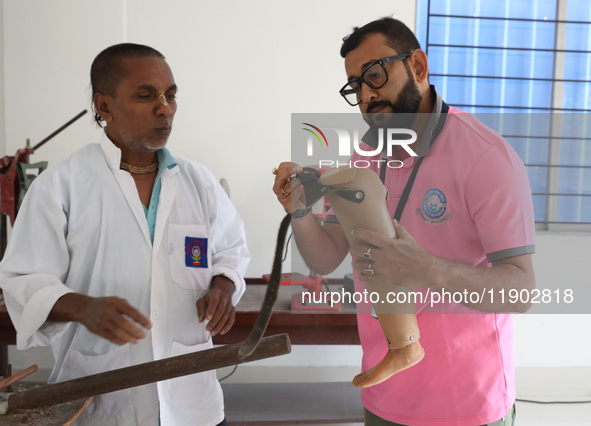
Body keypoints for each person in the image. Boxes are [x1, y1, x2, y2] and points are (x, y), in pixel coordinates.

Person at [273, 17, 534, 426]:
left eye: (374, 75)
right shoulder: (364, 156)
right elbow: (326, 258)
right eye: (355, 86)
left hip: (467, 404)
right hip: (384, 398)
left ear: (417, 66)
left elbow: (520, 291)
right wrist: (301, 212)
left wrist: (424, 270)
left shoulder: (486, 157)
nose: (366, 95)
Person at [0, 43, 250, 426]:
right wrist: (82, 307)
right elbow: (23, 280)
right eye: (146, 95)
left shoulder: (197, 182)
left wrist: (222, 288)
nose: (164, 107)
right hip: (99, 400)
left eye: (171, 95)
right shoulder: (62, 186)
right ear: (104, 107)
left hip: (192, 403)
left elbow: (231, 250)